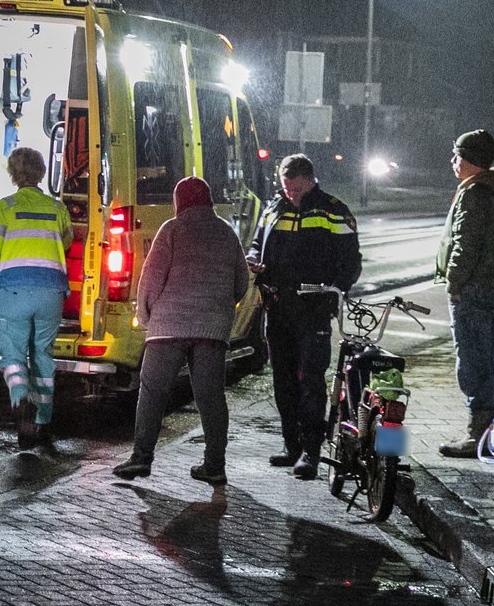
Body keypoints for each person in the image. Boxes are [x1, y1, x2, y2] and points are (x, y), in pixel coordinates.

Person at [111, 176, 251, 484]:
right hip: (211, 330)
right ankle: (215, 466)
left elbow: (151, 278)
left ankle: (141, 458)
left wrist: (145, 315)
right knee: (211, 398)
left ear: (179, 202)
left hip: (168, 327)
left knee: (152, 392)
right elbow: (242, 282)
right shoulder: (226, 233)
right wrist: (221, 306)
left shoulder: (172, 229)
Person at [247, 153, 362, 479]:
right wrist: (255, 260)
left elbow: (351, 261)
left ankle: (311, 452)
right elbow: (257, 243)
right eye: (287, 189)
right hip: (277, 307)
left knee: (311, 381)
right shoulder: (273, 208)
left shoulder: (333, 210)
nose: (292, 195)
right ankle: (291, 446)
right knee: (283, 380)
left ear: (311, 180)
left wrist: (333, 292)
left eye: (297, 189)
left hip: (313, 311)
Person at [0, 147, 73, 449]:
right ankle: (42, 422)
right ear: (41, 172)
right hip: (51, 291)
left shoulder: (5, 207)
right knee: (43, 355)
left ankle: (21, 400)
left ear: (14, 175)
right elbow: (66, 242)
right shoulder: (57, 208)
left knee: (13, 354)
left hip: (14, 291)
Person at [435, 130, 494, 457]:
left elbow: (464, 245)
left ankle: (478, 434)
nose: (452, 161)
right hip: (490, 287)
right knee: (485, 358)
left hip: (471, 289)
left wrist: (454, 284)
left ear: (470, 159)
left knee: (472, 361)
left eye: (457, 156)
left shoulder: (475, 193)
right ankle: (492, 432)